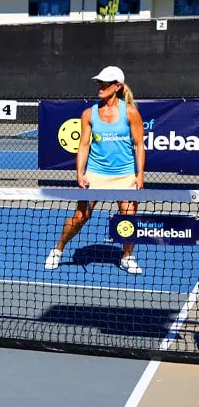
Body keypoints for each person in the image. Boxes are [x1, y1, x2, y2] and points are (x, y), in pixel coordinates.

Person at [45, 65, 146, 274]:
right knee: (81, 217)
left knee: (129, 217)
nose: (100, 86)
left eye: (105, 83)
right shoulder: (88, 114)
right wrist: (79, 173)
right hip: (96, 173)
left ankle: (127, 256)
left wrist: (139, 175)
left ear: (117, 86)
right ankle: (58, 250)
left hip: (125, 175)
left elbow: (138, 145)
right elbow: (83, 145)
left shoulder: (130, 112)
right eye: (99, 82)